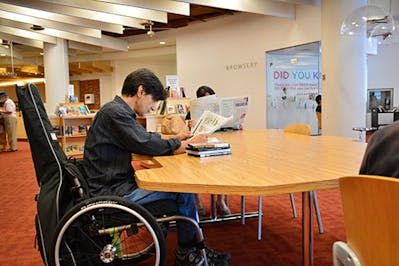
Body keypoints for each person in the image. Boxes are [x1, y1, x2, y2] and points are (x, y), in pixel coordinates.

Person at [82, 69, 230, 266]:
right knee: (182, 190)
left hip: (112, 185)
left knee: (177, 186)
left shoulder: (115, 111)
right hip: (114, 193)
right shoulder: (115, 114)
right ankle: (189, 253)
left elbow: (143, 139)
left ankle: (192, 249)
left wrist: (175, 138)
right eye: (153, 101)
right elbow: (146, 144)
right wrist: (185, 145)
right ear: (141, 91)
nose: (152, 108)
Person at [186, 85, 232, 217]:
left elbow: (228, 126)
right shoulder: (192, 112)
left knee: (223, 167)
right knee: (192, 167)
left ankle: (220, 200)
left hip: (218, 144)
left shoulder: (220, 109)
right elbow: (188, 132)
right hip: (200, 145)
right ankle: (197, 200)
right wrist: (190, 124)